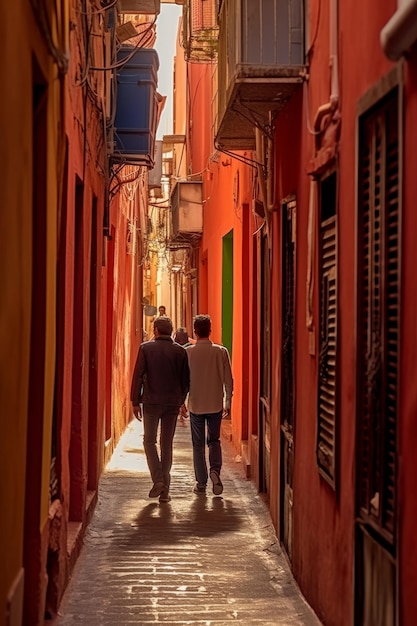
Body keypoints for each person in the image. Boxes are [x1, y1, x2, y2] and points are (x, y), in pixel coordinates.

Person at [131, 316, 190, 503]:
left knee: (149, 441)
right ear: (170, 331)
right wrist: (181, 400)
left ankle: (158, 480)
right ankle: (165, 490)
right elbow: (185, 381)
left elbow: (138, 376)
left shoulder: (146, 348)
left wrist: (135, 401)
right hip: (172, 403)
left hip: (151, 403)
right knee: (167, 444)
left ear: (155, 329)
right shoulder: (180, 352)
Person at [185, 314, 233, 496]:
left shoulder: (188, 353)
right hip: (215, 404)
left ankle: (201, 483)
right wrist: (228, 401)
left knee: (198, 445)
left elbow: (184, 381)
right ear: (210, 330)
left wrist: (183, 402)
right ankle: (215, 471)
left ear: (195, 331)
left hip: (196, 405)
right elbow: (229, 380)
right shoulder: (221, 352)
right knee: (214, 441)